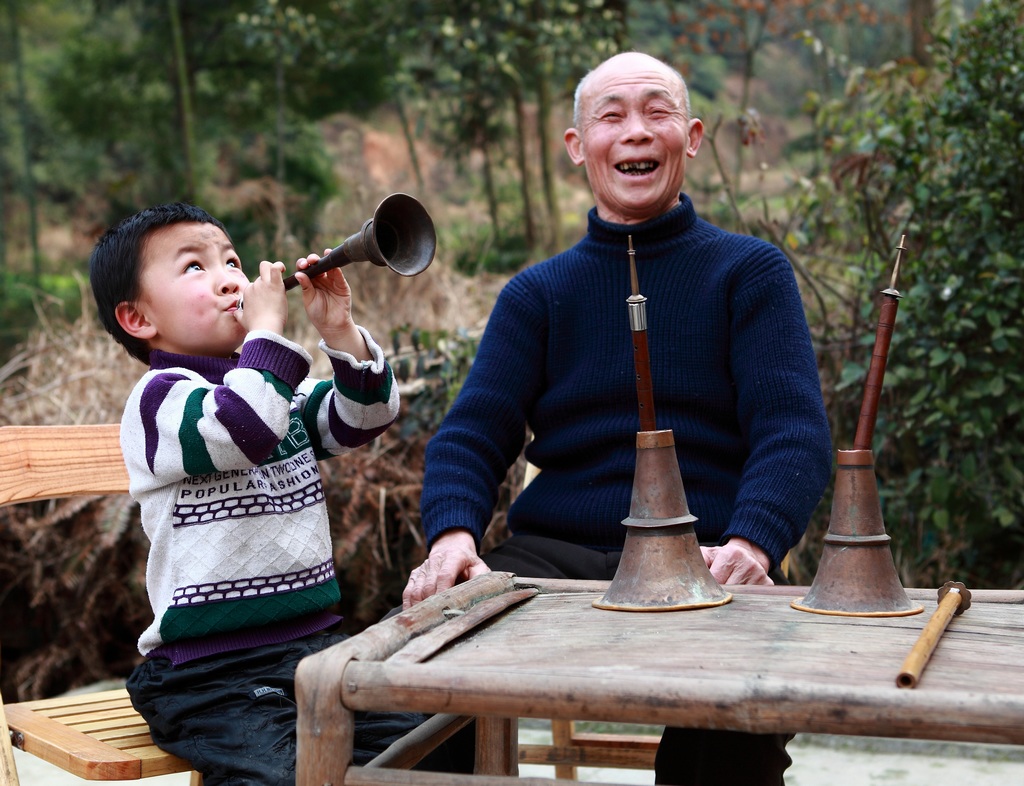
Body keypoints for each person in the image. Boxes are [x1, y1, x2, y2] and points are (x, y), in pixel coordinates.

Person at [402, 52, 833, 785]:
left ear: (691, 137)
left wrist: (752, 544)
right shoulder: (537, 295)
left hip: (708, 559)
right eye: (611, 115)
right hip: (556, 558)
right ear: (578, 147)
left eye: (656, 111)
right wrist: (451, 536)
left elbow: (793, 431)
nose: (635, 131)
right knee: (425, 687)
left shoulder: (750, 273)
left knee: (733, 725)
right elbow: (472, 433)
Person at [89, 203, 444, 785]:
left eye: (230, 259)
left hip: (317, 652)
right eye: (194, 268)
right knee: (283, 778)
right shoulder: (159, 401)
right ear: (137, 318)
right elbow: (242, 429)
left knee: (420, 740)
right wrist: (267, 334)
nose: (231, 276)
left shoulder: (275, 393)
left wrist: (338, 331)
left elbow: (366, 416)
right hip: (209, 675)